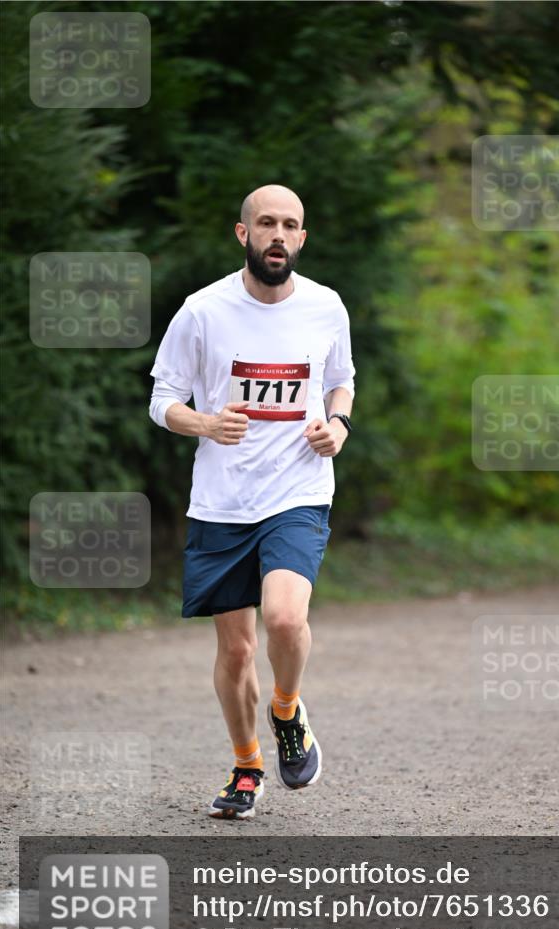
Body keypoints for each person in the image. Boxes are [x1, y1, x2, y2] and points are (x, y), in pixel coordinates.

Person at [148, 184, 355, 819]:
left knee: (287, 619)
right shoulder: (202, 311)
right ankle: (246, 766)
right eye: (266, 222)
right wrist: (206, 423)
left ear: (301, 238)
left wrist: (338, 427)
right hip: (221, 502)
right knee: (236, 650)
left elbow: (341, 383)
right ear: (243, 233)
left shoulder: (326, 307)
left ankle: (287, 710)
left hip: (297, 492)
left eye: (290, 225)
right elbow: (163, 402)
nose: (278, 234)